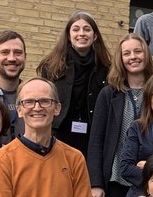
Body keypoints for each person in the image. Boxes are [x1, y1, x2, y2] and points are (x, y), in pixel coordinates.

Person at [88, 34, 153, 197]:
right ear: (120, 58)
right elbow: (96, 139)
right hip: (116, 178)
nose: (133, 57)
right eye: (127, 53)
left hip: (149, 178)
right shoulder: (108, 94)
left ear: (146, 54)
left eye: (138, 51)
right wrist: (96, 183)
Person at [38, 11, 111, 154]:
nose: (82, 33)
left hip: (93, 138)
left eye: (87, 29)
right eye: (76, 29)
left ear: (95, 36)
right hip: (58, 135)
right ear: (68, 36)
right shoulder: (51, 66)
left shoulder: (107, 69)